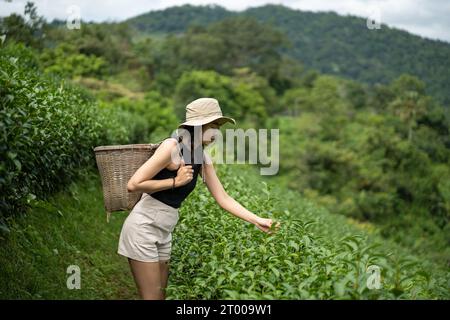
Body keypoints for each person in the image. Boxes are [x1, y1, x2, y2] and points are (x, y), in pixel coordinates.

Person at [117, 97, 281, 300]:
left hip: (165, 230)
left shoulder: (201, 157)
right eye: (213, 126)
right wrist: (175, 182)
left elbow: (223, 198)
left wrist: (258, 220)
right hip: (143, 227)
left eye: (218, 127)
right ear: (198, 126)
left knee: (161, 297)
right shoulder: (171, 147)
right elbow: (134, 184)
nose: (216, 132)